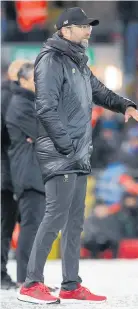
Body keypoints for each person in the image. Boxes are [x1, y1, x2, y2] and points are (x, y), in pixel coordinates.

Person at [17, 7, 138, 305]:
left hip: (77, 153)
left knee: (74, 222)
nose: (89, 30)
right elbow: (46, 108)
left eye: (89, 26)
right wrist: (65, 146)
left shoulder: (78, 62)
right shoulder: (50, 60)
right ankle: (31, 283)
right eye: (82, 26)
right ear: (64, 30)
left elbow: (99, 91)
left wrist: (124, 105)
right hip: (62, 152)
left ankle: (71, 284)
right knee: (54, 218)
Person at [5, 63, 45, 287]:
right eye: (35, 79)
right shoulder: (21, 104)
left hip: (33, 171)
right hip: (28, 173)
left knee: (35, 226)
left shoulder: (29, 103)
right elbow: (46, 132)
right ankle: (26, 280)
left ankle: (33, 278)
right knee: (30, 227)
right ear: (22, 80)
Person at [1, 59, 28, 290]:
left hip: (12, 171)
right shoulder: (8, 98)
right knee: (5, 225)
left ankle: (27, 276)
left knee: (14, 224)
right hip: (7, 172)